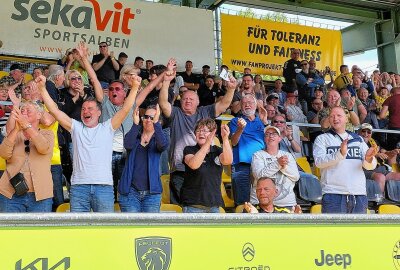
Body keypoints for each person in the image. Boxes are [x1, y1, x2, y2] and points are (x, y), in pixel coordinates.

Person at [37, 42, 141, 212]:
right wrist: (42, 89)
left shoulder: (107, 127)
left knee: (104, 231)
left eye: (90, 108)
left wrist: (135, 87)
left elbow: (126, 108)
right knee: (77, 232)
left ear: (99, 113)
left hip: (104, 188)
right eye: (84, 108)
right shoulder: (76, 127)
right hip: (79, 188)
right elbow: (55, 111)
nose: (86, 110)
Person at [158, 59, 237, 205]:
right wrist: (166, 81)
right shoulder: (176, 113)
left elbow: (224, 104)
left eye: (191, 99)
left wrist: (231, 89)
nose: (188, 101)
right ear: (180, 102)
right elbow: (163, 103)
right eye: (185, 99)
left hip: (205, 169)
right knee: (181, 210)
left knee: (202, 206)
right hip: (180, 171)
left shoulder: (205, 111)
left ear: (198, 102)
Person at [313, 107, 378, 213]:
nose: (335, 118)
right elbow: (319, 162)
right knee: (334, 230)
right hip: (333, 193)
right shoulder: (322, 139)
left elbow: (369, 166)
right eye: (332, 116)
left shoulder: (358, 139)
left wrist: (369, 159)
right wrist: (340, 154)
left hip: (358, 193)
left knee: (357, 229)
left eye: (339, 115)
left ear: (346, 119)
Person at [0, 101, 54, 212]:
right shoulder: (13, 134)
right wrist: (16, 129)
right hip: (10, 193)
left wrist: (26, 126)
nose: (24, 113)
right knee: (10, 229)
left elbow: (43, 148)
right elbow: (4, 154)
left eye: (28, 110)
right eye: (22, 110)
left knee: (39, 229)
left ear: (39, 115)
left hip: (41, 195)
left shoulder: (47, 134)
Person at [118, 105, 169, 212]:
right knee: (131, 228)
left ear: (158, 120)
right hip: (130, 191)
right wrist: (135, 124)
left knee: (150, 228)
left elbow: (163, 145)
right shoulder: (134, 134)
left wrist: (156, 125)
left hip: (152, 193)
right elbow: (127, 144)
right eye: (146, 117)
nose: (148, 120)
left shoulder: (160, 137)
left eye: (152, 117)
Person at [181, 119, 232, 213]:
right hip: (193, 205)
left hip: (214, 205)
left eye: (204, 131)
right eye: (198, 131)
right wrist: (208, 142)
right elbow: (194, 164)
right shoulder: (189, 149)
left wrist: (225, 138)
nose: (201, 133)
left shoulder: (217, 150)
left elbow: (228, 160)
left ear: (213, 134)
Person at [229, 94, 268, 205]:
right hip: (241, 165)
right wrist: (240, 129)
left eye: (250, 102)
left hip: (261, 164)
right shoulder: (236, 121)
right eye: (244, 103)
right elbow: (234, 142)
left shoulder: (262, 122)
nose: (247, 105)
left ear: (256, 106)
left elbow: (269, 143)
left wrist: (265, 122)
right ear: (241, 107)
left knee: (262, 200)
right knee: (242, 202)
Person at [252, 126, 300, 209]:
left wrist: (283, 167)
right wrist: (278, 164)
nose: (271, 136)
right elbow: (259, 176)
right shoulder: (257, 155)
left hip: (287, 204)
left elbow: (296, 176)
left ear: (279, 138)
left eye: (274, 134)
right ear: (264, 139)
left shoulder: (288, 155)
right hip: (262, 205)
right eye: (267, 134)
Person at [359, 123, 400, 192]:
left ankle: (395, 199)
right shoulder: (356, 142)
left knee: (398, 174)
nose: (366, 134)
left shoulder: (374, 142)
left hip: (381, 168)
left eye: (368, 132)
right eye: (363, 131)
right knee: (380, 177)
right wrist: (376, 155)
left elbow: (384, 153)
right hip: (365, 170)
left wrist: (392, 152)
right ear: (359, 132)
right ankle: (379, 200)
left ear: (371, 133)